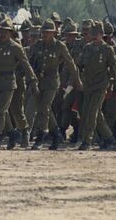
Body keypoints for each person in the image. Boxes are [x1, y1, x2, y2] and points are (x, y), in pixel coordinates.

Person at [0, 17, 38, 150]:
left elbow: (26, 65)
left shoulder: (16, 47)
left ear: (11, 33)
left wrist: (33, 81)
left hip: (9, 83)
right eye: (1, 31)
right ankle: (12, 134)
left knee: (6, 110)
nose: (3, 34)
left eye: (6, 31)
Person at [28, 18, 81, 150]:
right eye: (43, 32)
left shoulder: (59, 46)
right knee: (45, 109)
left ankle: (41, 136)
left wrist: (77, 80)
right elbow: (29, 61)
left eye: (47, 32)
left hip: (52, 81)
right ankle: (56, 134)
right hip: (40, 81)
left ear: (53, 33)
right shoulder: (37, 46)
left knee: (44, 107)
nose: (44, 34)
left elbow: (71, 64)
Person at [77, 22, 116, 150]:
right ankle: (109, 137)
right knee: (91, 113)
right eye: (93, 33)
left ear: (102, 35)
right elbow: (79, 65)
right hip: (88, 86)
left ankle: (87, 141)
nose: (95, 36)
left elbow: (114, 69)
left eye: (98, 34)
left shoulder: (107, 50)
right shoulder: (87, 48)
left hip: (101, 87)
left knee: (92, 114)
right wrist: (76, 80)